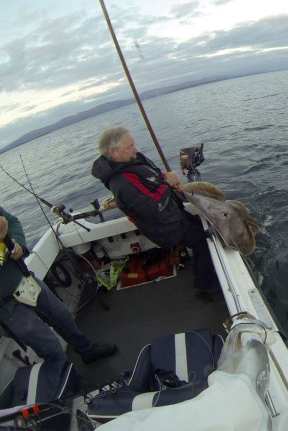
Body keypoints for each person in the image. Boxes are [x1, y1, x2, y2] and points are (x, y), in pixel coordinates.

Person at [91, 127, 218, 296]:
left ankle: (201, 273)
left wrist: (166, 178)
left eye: (133, 144)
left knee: (200, 234)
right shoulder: (122, 183)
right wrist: (167, 184)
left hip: (173, 215)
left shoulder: (131, 160)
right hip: (165, 227)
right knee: (205, 242)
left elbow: (153, 178)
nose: (135, 149)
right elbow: (154, 208)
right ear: (113, 153)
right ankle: (204, 286)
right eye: (129, 147)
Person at [0, 206, 117, 363]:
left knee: (63, 317)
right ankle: (71, 382)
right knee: (49, 345)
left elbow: (12, 221)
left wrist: (19, 245)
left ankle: (87, 350)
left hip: (26, 281)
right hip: (6, 307)